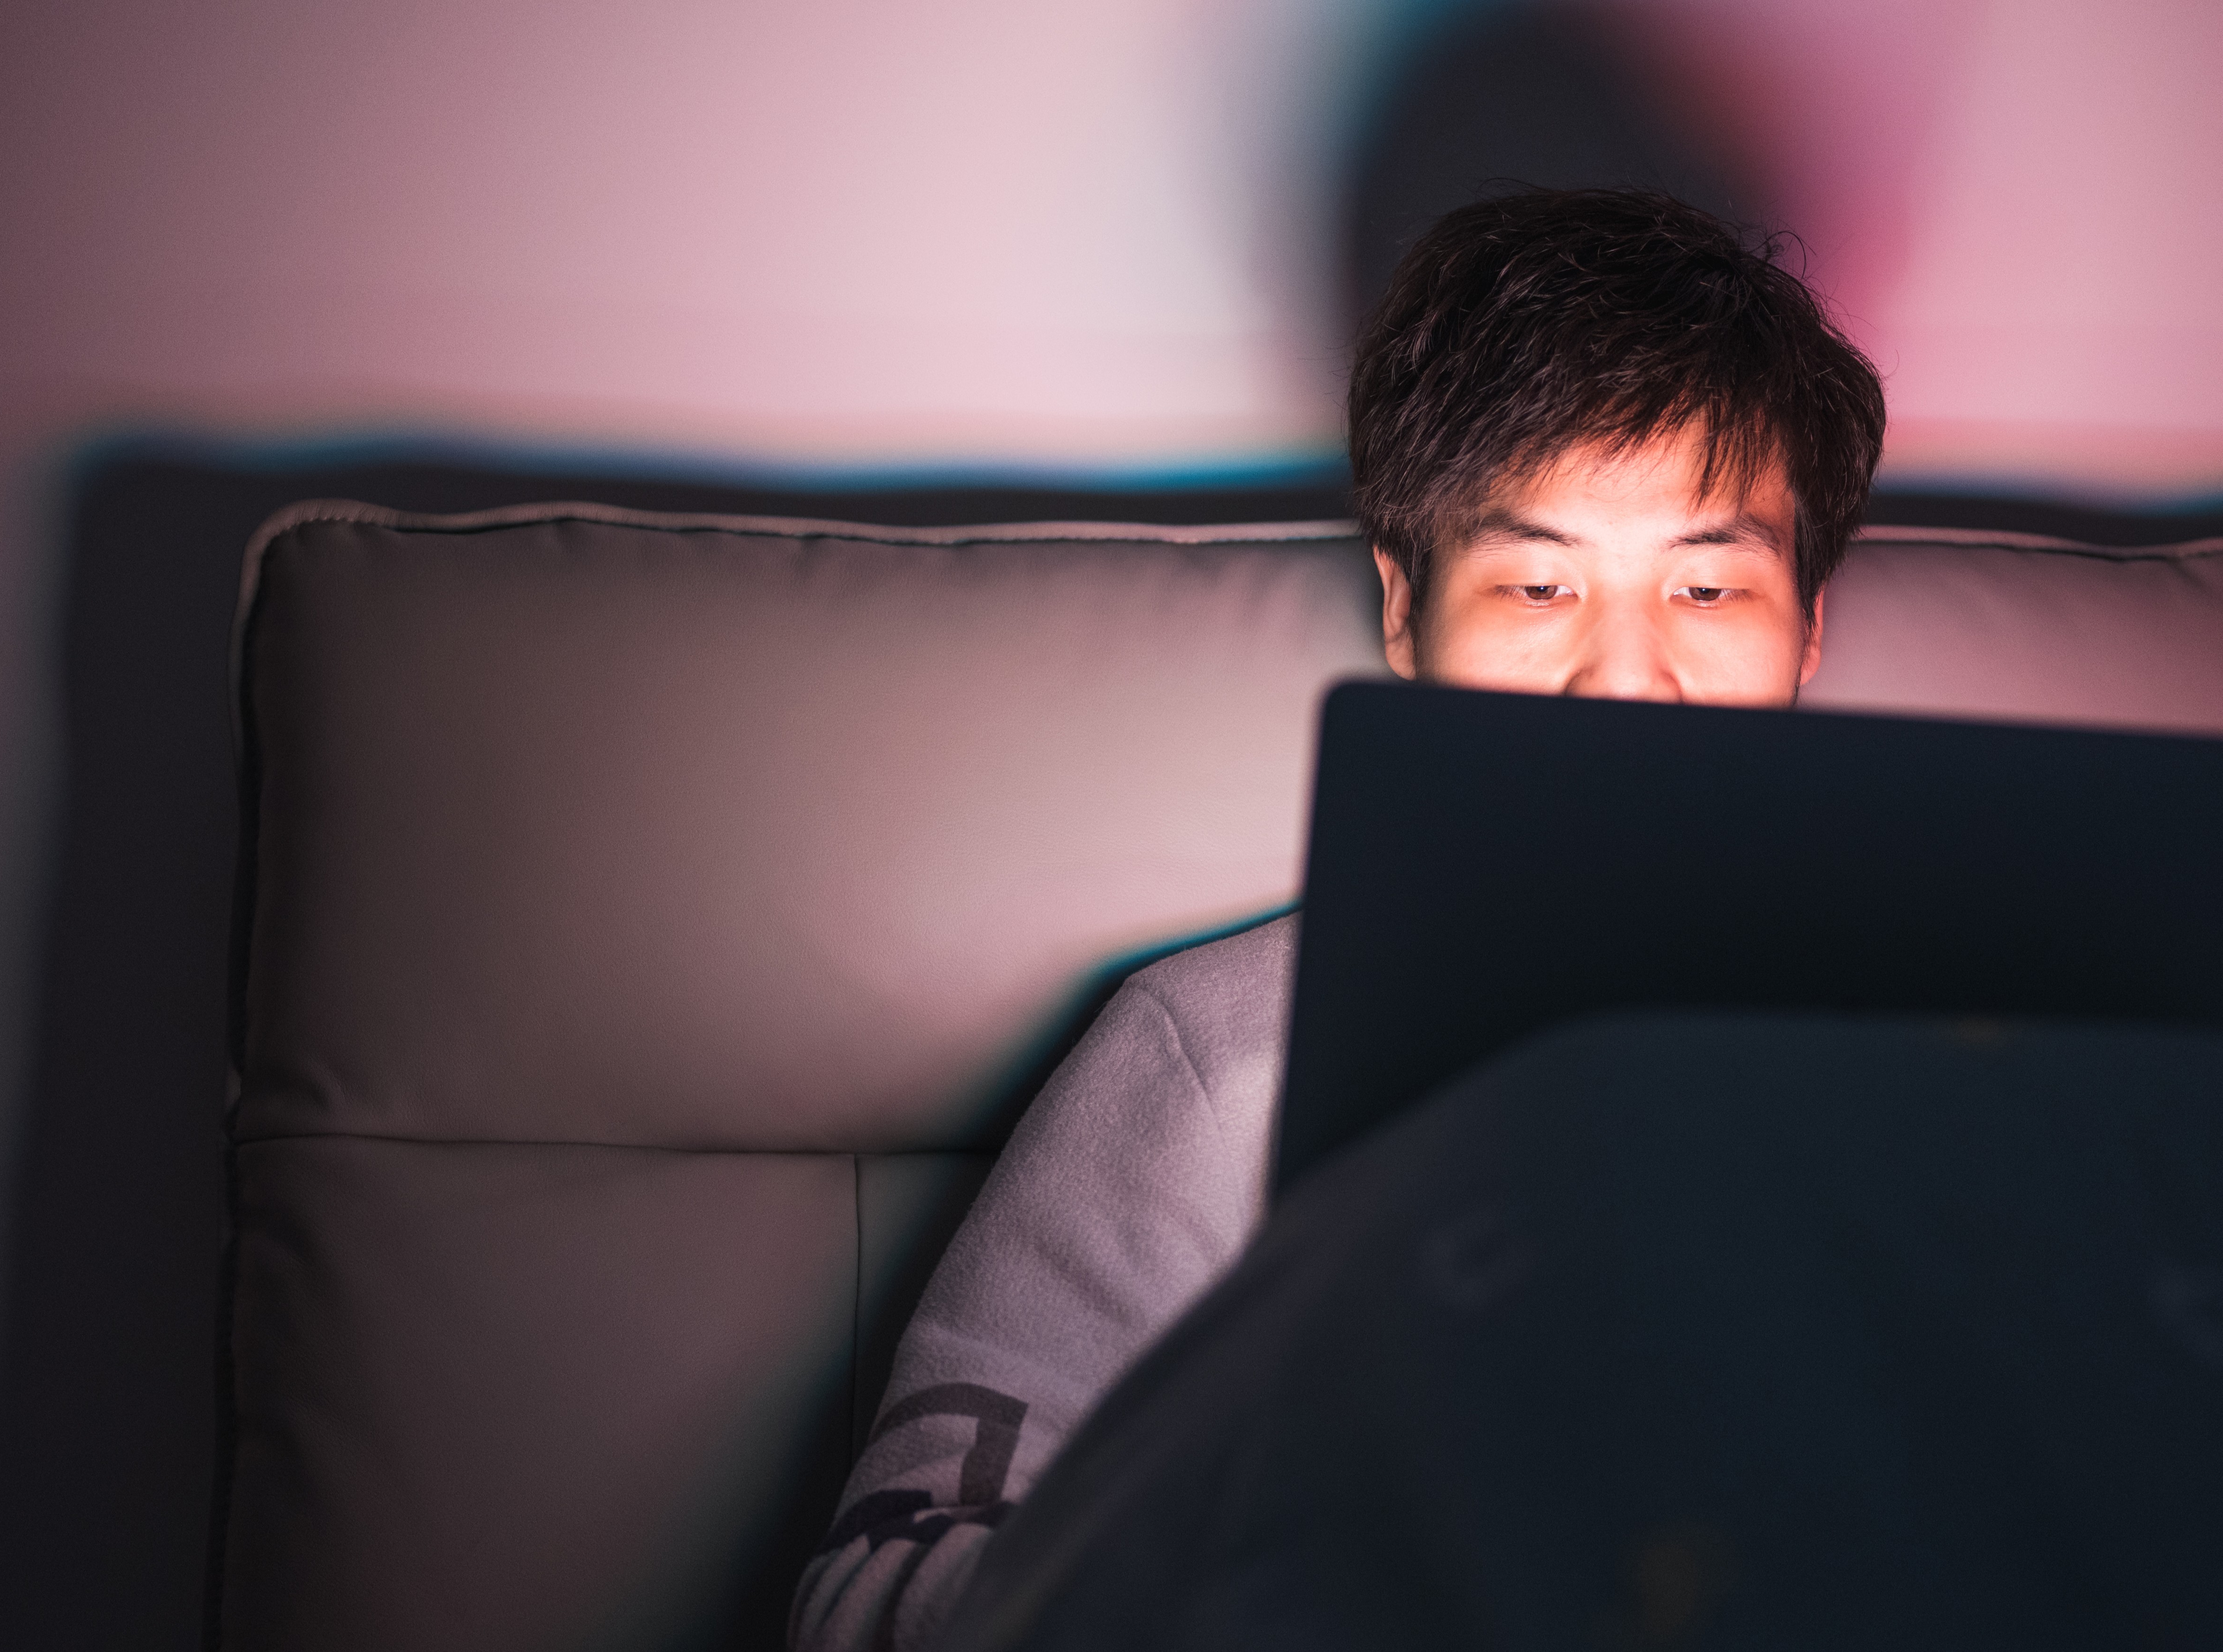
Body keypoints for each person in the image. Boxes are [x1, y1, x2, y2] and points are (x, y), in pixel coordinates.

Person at [789, 187, 1887, 1652]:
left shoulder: (1980, 1043)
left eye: (1705, 585)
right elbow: (876, 1587)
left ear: (1809, 625)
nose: (1627, 681)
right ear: (1403, 613)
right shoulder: (1217, 1056)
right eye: (1540, 582)